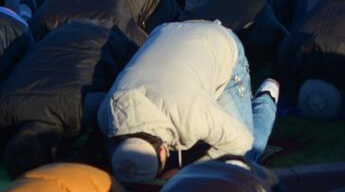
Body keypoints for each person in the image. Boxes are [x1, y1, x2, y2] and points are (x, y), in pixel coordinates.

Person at [99, 20, 280, 182]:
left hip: (219, 44)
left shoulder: (191, 115)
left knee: (243, 159)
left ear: (163, 151)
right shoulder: (107, 113)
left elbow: (242, 142)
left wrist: (187, 172)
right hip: (166, 32)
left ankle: (267, 98)